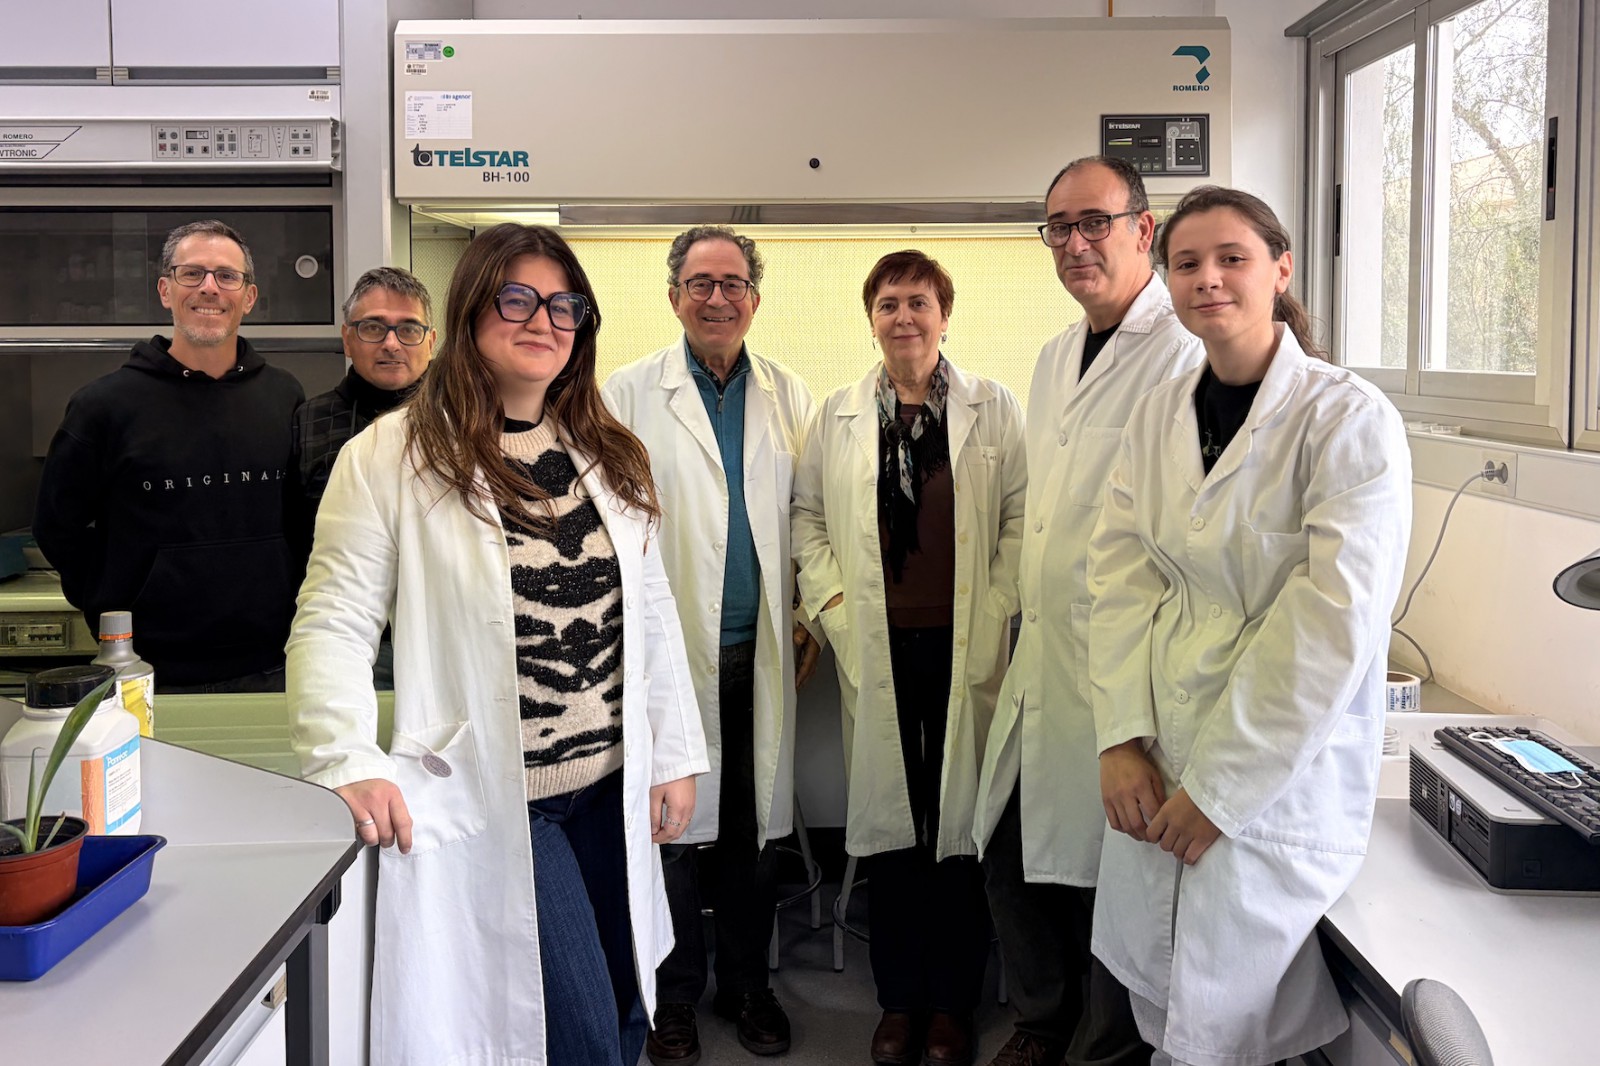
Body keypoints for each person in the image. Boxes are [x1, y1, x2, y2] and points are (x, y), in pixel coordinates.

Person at [285, 223, 709, 1066]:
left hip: (612, 785)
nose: (543, 320)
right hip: (503, 796)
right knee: (581, 1033)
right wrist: (342, 755)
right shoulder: (389, 457)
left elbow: (650, 610)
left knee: (628, 1006)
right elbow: (333, 615)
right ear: (472, 310)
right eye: (517, 299)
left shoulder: (607, 451)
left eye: (564, 305)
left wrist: (674, 751)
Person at [1087, 187, 1411, 1066]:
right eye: (1187, 263)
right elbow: (1116, 578)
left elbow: (1330, 628)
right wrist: (1119, 735)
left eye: (1232, 258)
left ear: (1281, 269)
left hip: (1270, 781)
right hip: (1158, 748)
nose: (1209, 279)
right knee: (1166, 1003)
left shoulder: (1347, 419)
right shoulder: (1157, 413)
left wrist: (1223, 790)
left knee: (1232, 1019)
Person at [972, 156, 1204, 1066]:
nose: (1075, 244)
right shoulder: (1054, 354)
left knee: (1119, 872)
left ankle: (1105, 1047)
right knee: (1010, 844)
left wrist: (1131, 722)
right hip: (1045, 653)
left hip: (1130, 669)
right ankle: (1041, 1020)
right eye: (1059, 228)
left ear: (1143, 229)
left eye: (1093, 223)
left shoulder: (1184, 353)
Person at [793, 250, 1025, 1066]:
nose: (904, 317)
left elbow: (1021, 517)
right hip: (876, 643)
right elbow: (807, 519)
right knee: (891, 822)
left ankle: (952, 1005)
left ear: (944, 316)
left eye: (919, 302)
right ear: (872, 320)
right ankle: (899, 1000)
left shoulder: (994, 408)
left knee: (958, 824)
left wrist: (995, 605)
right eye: (889, 303)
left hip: (967, 645)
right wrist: (832, 608)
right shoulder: (839, 414)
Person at [602, 226, 818, 1063]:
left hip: (758, 655)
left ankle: (748, 985)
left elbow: (809, 518)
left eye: (733, 284)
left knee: (751, 840)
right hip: (667, 660)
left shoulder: (790, 394)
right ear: (674, 297)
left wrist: (806, 615)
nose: (717, 298)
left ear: (754, 299)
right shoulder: (627, 393)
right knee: (674, 836)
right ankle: (674, 995)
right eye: (701, 283)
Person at [33, 218, 304, 693]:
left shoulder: (284, 396)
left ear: (249, 297)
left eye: (227, 276)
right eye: (192, 273)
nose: (209, 288)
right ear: (165, 290)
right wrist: (110, 598)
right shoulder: (103, 406)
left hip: (274, 662)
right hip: (147, 669)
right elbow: (58, 528)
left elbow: (303, 522)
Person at [293, 265, 435, 523]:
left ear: (431, 343)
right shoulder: (308, 421)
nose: (391, 344)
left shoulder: (465, 418)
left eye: (409, 329)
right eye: (373, 327)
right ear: (347, 339)